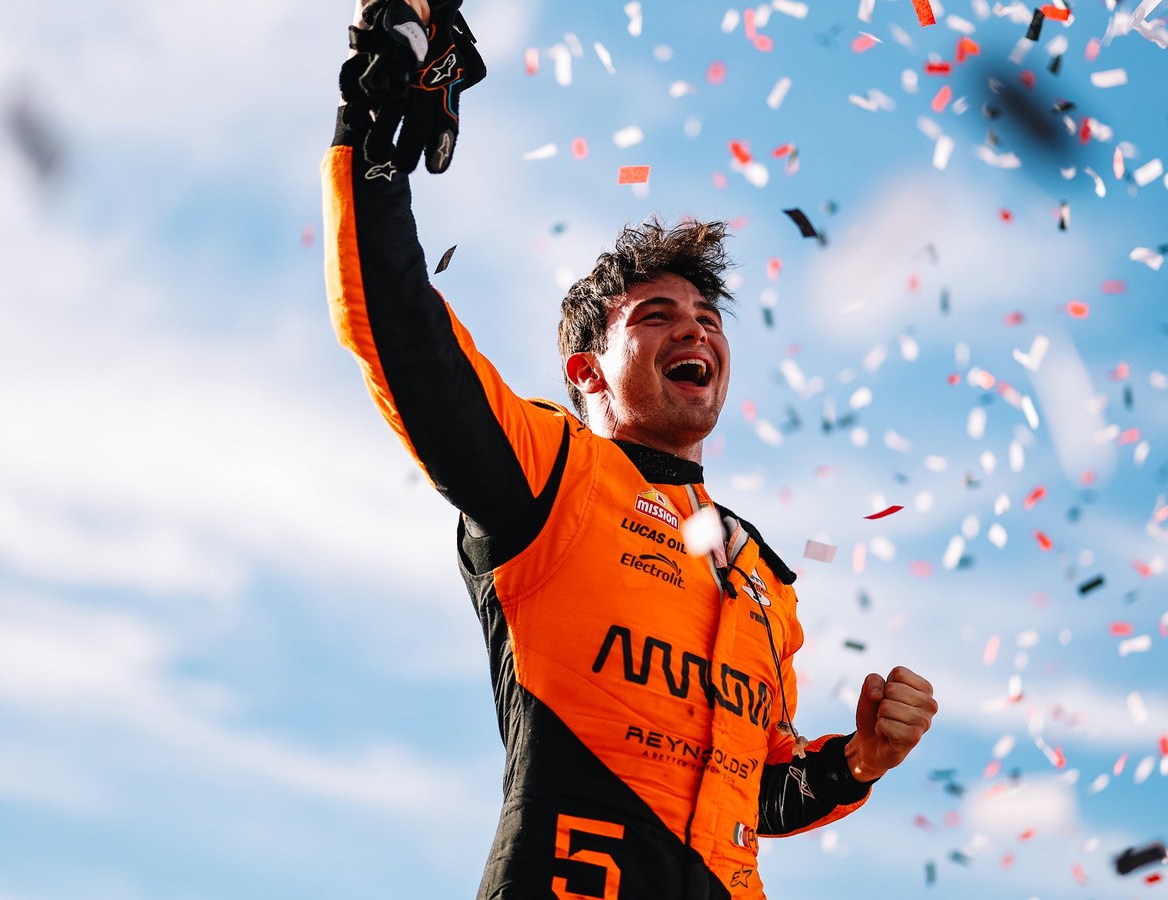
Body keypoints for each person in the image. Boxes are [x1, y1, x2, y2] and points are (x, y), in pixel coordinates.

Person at [321, 1, 938, 896]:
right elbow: (401, 333)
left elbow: (755, 791)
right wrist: (368, 134)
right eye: (655, 315)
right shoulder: (550, 471)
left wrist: (858, 761)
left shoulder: (763, 576)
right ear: (589, 372)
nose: (696, 329)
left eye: (709, 317)